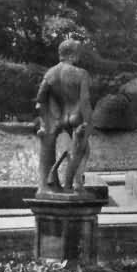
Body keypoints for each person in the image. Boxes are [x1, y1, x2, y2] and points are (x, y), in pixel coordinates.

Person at [35, 39, 93, 195]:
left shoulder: (50, 73)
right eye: (78, 54)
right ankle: (75, 186)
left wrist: (45, 122)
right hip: (76, 116)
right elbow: (85, 100)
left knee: (50, 149)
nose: (79, 57)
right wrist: (88, 122)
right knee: (82, 151)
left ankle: (49, 186)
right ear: (72, 55)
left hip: (58, 117)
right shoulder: (81, 74)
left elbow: (40, 99)